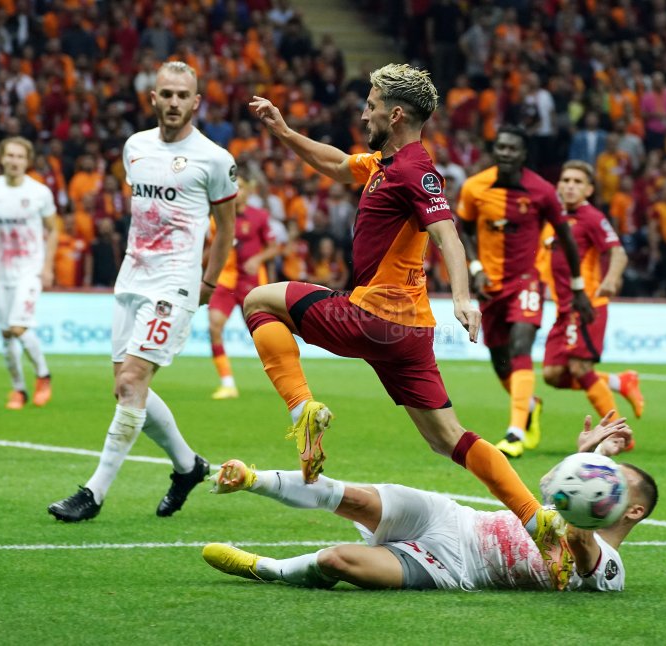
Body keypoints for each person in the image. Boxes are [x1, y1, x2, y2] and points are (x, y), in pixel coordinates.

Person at [245, 64, 572, 588]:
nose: (364, 114)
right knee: (448, 438)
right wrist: (283, 132)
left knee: (259, 301)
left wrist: (463, 298)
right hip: (409, 334)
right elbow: (336, 164)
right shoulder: (386, 163)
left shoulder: (416, 171)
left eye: (371, 105)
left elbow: (447, 234)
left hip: (373, 316)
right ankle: (539, 522)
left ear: (395, 114)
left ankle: (303, 408)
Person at [47, 61, 237, 521]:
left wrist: (208, 282)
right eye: (166, 94)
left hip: (175, 281)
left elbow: (226, 229)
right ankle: (188, 467)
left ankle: (93, 493)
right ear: (153, 98)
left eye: (182, 95)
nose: (173, 102)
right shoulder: (135, 147)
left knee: (132, 382)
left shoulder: (214, 158)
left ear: (196, 102)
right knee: (126, 388)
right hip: (132, 276)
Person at [202, 412, 657, 592]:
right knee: (355, 498)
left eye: (618, 484)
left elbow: (579, 542)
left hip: (455, 567)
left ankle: (264, 568)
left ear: (633, 510)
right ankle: (252, 479)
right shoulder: (570, 505)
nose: (608, 481)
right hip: (453, 518)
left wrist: (590, 466)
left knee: (337, 561)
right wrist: (584, 461)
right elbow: (546, 488)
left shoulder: (611, 569)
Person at [456, 125, 594, 459]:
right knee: (500, 360)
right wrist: (475, 267)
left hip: (526, 281)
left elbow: (566, 237)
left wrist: (578, 286)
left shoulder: (542, 191)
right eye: (500, 147)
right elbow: (463, 229)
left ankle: (515, 433)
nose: (505, 153)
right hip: (490, 288)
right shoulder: (475, 187)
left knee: (521, 345)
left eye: (512, 148)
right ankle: (530, 405)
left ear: (523, 154)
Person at [540, 161, 644, 428]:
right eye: (566, 180)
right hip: (563, 308)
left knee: (579, 368)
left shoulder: (592, 217)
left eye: (577, 182)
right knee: (552, 374)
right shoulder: (553, 218)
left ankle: (618, 433)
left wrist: (611, 279)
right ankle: (620, 381)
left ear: (588, 190)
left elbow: (618, 252)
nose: (570, 186)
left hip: (587, 305)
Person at [0, 136, 57, 410]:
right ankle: (19, 389)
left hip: (29, 269)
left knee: (18, 327)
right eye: (10, 155)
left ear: (27, 161)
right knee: (6, 333)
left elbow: (53, 229)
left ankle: (43, 375)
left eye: (19, 156)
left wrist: (48, 266)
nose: (14, 161)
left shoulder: (39, 193)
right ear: (1, 158)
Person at [208, 179, 277, 400]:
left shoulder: (259, 216)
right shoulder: (216, 218)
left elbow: (274, 247)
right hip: (226, 280)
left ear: (247, 192)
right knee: (214, 326)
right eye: (232, 187)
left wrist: (257, 259)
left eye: (240, 187)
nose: (236, 191)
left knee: (263, 334)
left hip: (252, 282)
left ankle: (283, 378)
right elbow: (212, 248)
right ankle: (228, 384)